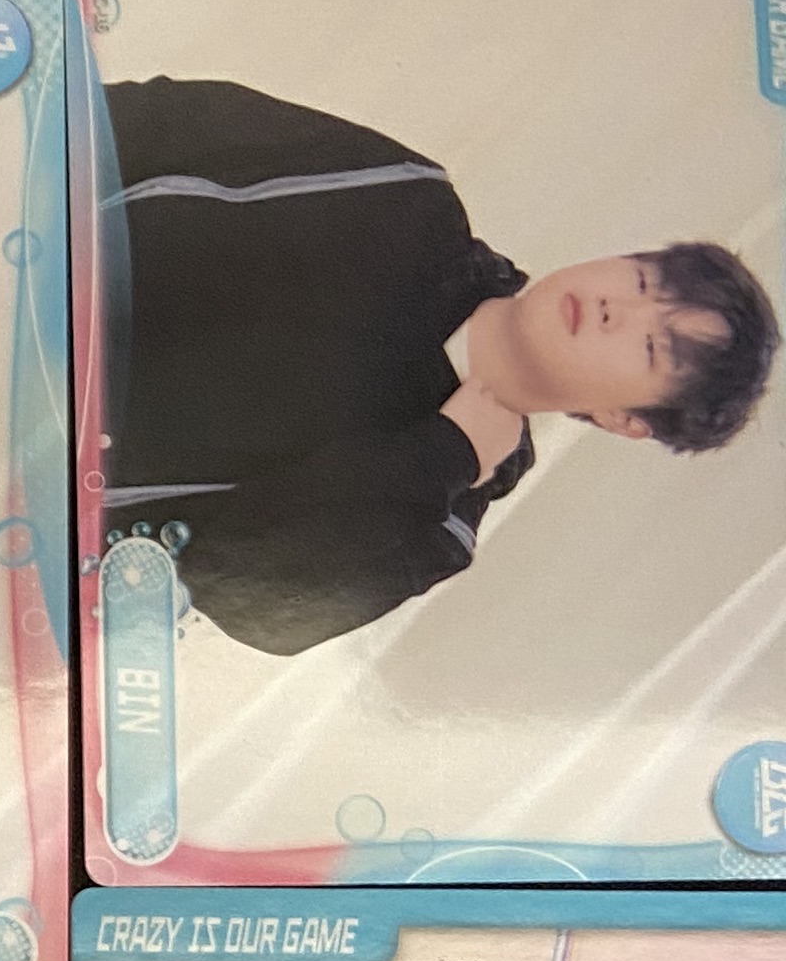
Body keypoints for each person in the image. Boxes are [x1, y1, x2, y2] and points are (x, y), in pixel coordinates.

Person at [95, 75, 778, 654]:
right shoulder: (407, 194)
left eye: (652, 345)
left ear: (622, 418)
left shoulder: (438, 521)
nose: (614, 308)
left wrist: (442, 457)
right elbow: (169, 117)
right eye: (643, 280)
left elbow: (235, 589)